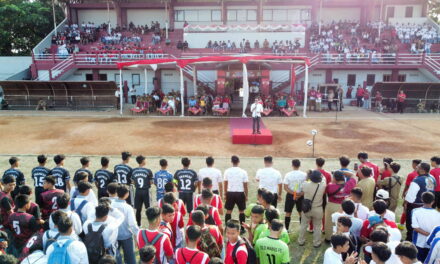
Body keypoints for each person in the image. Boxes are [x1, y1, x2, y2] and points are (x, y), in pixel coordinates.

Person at [405, 162, 436, 242]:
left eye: (418, 167)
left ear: (422, 170)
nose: (416, 168)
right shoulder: (432, 178)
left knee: (411, 226)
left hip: (416, 207)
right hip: (429, 204)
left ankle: (409, 241)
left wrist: (405, 205)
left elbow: (410, 198)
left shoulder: (417, 180)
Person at [325, 171, 357, 241]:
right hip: (344, 206)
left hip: (331, 205)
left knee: (329, 223)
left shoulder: (330, 186)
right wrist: (342, 172)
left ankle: (328, 238)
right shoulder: (350, 184)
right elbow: (353, 175)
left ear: (335, 179)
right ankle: (340, 238)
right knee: (341, 224)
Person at [298, 170, 326, 247]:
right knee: (317, 227)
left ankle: (301, 241)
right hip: (318, 208)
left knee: (303, 225)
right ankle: (316, 243)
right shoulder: (322, 185)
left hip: (307, 208)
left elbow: (304, 182)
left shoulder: (305, 184)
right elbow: (324, 179)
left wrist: (308, 176)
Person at [112, 185, 139, 264]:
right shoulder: (127, 207)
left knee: (116, 258)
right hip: (126, 235)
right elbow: (132, 224)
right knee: (130, 258)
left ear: (117, 193)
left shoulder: (111, 205)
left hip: (114, 236)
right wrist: (137, 234)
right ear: (127, 194)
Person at [411, 192, 440, 261]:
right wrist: (430, 235)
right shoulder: (438, 214)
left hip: (418, 242)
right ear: (433, 202)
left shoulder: (415, 211)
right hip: (431, 243)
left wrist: (427, 234)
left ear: (422, 200)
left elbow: (415, 227)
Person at [224, 155, 249, 231]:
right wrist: (246, 195)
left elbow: (225, 183)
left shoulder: (227, 171)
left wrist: (225, 193)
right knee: (241, 211)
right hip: (240, 193)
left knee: (229, 211)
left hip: (230, 193)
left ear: (231, 162)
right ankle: (242, 228)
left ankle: (227, 227)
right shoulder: (243, 172)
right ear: (238, 162)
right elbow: (245, 185)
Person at [283, 159, 307, 231]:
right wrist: (300, 194)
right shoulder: (304, 175)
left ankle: (286, 229)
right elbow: (307, 186)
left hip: (290, 195)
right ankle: (302, 230)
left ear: (292, 165)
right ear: (300, 165)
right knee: (301, 212)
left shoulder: (288, 174)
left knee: (288, 212)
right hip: (301, 195)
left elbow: (285, 187)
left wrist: (294, 194)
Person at [131, 155, 153, 226]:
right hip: (146, 191)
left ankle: (138, 225)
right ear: (143, 161)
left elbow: (132, 181)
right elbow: (151, 182)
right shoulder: (148, 171)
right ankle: (151, 224)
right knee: (149, 209)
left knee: (138, 210)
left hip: (138, 191)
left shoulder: (134, 171)